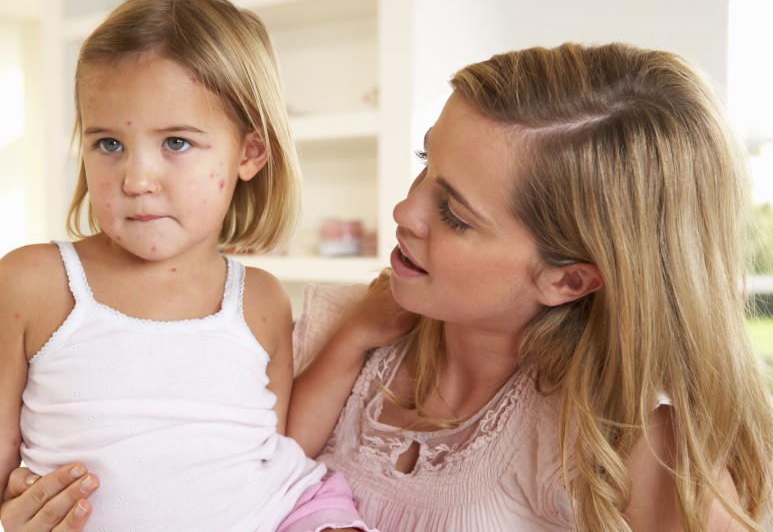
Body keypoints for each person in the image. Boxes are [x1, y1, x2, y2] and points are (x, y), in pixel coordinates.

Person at [4, 42, 773, 531]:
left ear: (569, 277)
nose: (403, 212)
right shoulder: (320, 326)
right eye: (423, 164)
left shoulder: (630, 440)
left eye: (457, 215)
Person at [0, 0, 373, 532]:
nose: (136, 179)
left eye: (175, 141)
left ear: (249, 153)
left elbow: (274, 449)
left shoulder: (261, 299)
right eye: (108, 144)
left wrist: (357, 332)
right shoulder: (33, 282)